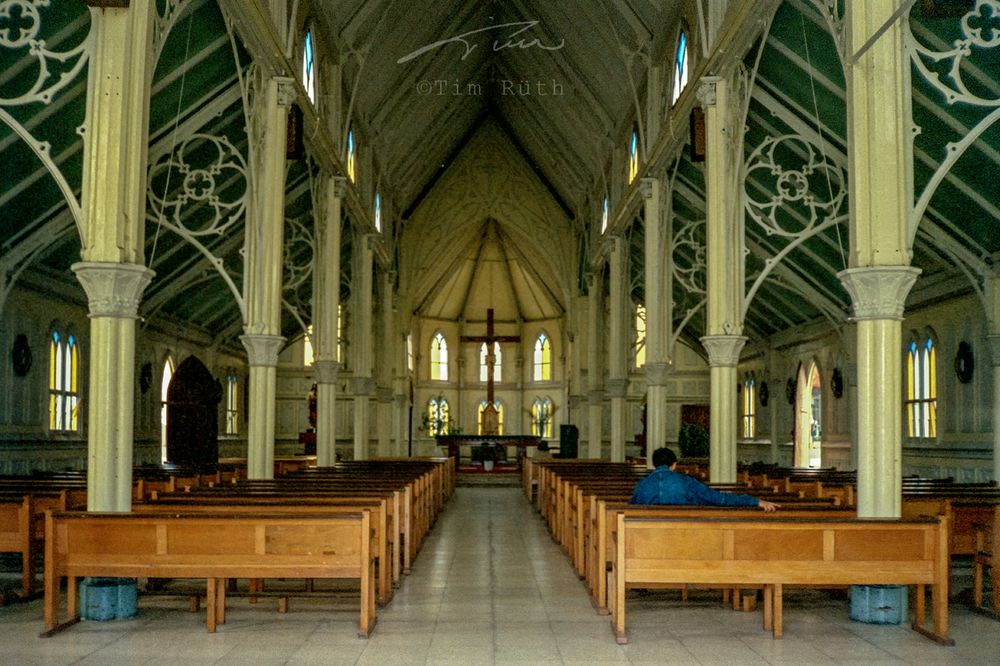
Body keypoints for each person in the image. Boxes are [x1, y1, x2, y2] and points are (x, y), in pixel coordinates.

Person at [630, 447, 779, 511]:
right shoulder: (686, 482)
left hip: (647, 537)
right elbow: (719, 499)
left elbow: (632, 508)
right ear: (674, 465)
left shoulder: (642, 485)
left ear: (654, 465)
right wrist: (754, 501)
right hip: (683, 535)